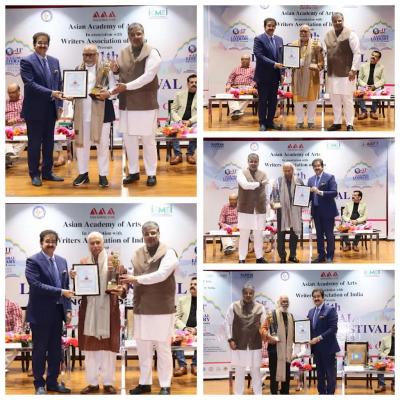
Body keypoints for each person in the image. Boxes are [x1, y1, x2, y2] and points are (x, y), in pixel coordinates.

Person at [120, 221, 178, 395]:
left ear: (159, 233)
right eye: (147, 234)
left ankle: (165, 385)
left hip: (162, 309)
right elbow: (130, 276)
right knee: (143, 348)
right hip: (141, 307)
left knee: (163, 348)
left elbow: (162, 275)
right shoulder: (136, 253)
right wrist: (122, 284)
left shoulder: (169, 252)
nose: (150, 236)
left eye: (153, 232)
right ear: (143, 236)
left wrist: (136, 279)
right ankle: (144, 383)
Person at [71, 232, 126, 394]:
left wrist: (122, 290)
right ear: (88, 245)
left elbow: (123, 283)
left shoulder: (114, 261)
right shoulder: (83, 262)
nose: (95, 245)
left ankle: (108, 382)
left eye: (98, 242)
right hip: (89, 310)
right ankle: (92, 383)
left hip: (110, 310)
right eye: (92, 243)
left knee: (108, 350)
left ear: (103, 243)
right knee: (90, 350)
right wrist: (74, 277)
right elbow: (79, 287)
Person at [112, 23, 161, 187]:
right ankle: (133, 172)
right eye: (132, 34)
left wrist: (126, 86)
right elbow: (121, 76)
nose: (136, 37)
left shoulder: (152, 52)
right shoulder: (123, 52)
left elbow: (148, 76)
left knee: (148, 140)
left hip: (146, 103)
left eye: (138, 33)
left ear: (143, 33)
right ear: (128, 36)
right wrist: (115, 71)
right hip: (126, 103)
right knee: (129, 139)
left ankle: (151, 173)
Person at [25, 230, 73, 395]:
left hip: (57, 313)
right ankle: (39, 384)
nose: (50, 244)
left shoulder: (62, 261)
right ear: (41, 243)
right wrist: (60, 291)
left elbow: (66, 287)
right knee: (40, 350)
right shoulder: (33, 261)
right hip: (40, 314)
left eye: (53, 241)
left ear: (57, 243)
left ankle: (52, 382)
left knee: (55, 350)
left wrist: (68, 309)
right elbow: (36, 285)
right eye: (47, 241)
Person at [20, 32, 64, 186]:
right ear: (34, 44)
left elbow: (59, 84)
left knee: (49, 143)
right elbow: (30, 84)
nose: (42, 45)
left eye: (45, 43)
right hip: (34, 110)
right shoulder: (27, 61)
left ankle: (47, 172)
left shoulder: (54, 61)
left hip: (51, 109)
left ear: (48, 45)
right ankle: (34, 174)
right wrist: (51, 93)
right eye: (39, 42)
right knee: (34, 144)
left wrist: (60, 105)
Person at [72, 45, 116, 188]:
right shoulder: (77, 70)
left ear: (97, 55)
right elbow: (72, 88)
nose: (88, 57)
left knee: (102, 146)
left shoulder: (106, 69)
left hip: (102, 114)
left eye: (91, 54)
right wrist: (69, 94)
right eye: (86, 55)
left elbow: (114, 89)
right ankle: (83, 173)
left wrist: (108, 93)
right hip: (81, 114)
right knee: (81, 145)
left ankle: (103, 175)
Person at [225, 283, 266, 395]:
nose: (248, 295)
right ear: (242, 293)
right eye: (246, 293)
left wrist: (265, 335)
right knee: (239, 373)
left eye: (250, 293)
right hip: (239, 345)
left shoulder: (260, 307)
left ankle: (258, 395)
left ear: (254, 294)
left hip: (255, 345)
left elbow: (264, 326)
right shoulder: (234, 306)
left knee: (256, 373)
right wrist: (230, 339)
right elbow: (227, 323)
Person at [324, 12, 361, 131]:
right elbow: (326, 54)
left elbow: (357, 53)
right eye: (335, 21)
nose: (337, 23)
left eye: (339, 20)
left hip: (346, 74)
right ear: (332, 22)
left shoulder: (351, 34)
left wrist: (353, 69)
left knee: (347, 100)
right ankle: (337, 122)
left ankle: (350, 124)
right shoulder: (327, 35)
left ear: (343, 20)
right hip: (332, 74)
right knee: (335, 99)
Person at [253, 18, 285, 131]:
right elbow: (259, 55)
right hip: (263, 76)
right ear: (264, 26)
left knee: (273, 101)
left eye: (273, 26)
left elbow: (281, 57)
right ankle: (262, 123)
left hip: (275, 76)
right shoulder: (259, 39)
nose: (271, 28)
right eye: (269, 25)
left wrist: (282, 73)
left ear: (275, 27)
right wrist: (274, 64)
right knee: (263, 101)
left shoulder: (279, 39)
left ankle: (270, 122)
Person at [307, 288, 340, 395]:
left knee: (330, 374)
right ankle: (321, 394)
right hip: (316, 349)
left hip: (328, 348)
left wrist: (318, 338)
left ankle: (330, 394)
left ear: (323, 297)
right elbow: (309, 328)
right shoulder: (311, 312)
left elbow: (333, 328)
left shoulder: (330, 310)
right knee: (320, 374)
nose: (316, 298)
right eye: (314, 297)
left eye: (318, 296)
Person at [291, 25, 324, 129]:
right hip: (297, 76)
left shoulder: (316, 44)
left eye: (305, 31)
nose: (303, 33)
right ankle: (299, 121)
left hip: (312, 76)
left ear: (310, 33)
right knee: (297, 101)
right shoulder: (293, 44)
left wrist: (317, 66)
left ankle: (311, 121)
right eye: (301, 31)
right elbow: (289, 59)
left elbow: (321, 60)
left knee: (312, 100)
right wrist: (294, 63)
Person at [237, 153, 268, 263]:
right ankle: (241, 258)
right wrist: (259, 184)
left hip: (259, 209)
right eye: (251, 161)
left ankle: (259, 257)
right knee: (244, 235)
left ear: (258, 162)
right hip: (245, 209)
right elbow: (245, 185)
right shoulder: (241, 173)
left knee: (258, 235)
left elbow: (265, 192)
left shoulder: (263, 174)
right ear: (248, 161)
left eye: (255, 161)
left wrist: (268, 206)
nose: (253, 163)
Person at [260, 295, 294, 395]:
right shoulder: (271, 315)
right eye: (283, 301)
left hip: (287, 350)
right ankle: (274, 394)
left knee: (286, 374)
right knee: (274, 375)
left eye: (287, 301)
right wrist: (269, 337)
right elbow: (263, 329)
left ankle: (285, 394)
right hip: (274, 349)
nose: (285, 303)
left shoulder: (291, 316)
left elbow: (294, 332)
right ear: (279, 303)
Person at [271, 162, 304, 263]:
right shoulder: (278, 181)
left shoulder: (299, 180)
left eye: (289, 170)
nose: (287, 172)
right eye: (285, 171)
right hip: (282, 211)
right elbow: (274, 195)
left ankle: (292, 255)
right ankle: (282, 256)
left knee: (294, 234)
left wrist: (303, 201)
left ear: (293, 170)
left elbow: (303, 195)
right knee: (281, 234)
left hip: (295, 211)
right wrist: (273, 204)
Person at [307, 158, 338, 263]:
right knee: (319, 235)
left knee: (329, 235)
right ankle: (321, 255)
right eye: (315, 166)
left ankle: (329, 256)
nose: (317, 168)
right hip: (316, 211)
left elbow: (334, 192)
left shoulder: (330, 177)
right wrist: (301, 201)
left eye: (318, 166)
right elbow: (309, 196)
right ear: (313, 168)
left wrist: (319, 192)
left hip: (328, 211)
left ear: (322, 166)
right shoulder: (310, 180)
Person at [169, 74, 197, 166]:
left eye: (196, 82)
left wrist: (190, 121)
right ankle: (178, 155)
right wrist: (179, 121)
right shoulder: (179, 95)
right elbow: (173, 110)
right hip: (179, 121)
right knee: (173, 127)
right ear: (188, 84)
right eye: (192, 82)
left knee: (198, 128)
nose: (194, 84)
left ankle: (190, 154)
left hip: (193, 122)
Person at [173, 276, 197, 377]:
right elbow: (176, 317)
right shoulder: (182, 300)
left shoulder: (205, 301)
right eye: (191, 284)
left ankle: (195, 365)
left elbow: (206, 320)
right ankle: (182, 366)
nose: (192, 286)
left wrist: (196, 329)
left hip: (197, 330)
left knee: (205, 335)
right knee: (177, 336)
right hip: (183, 330)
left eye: (195, 284)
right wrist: (184, 328)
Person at [225, 54, 256, 120]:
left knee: (248, 95)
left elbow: (255, 79)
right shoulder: (236, 68)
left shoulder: (253, 69)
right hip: (236, 87)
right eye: (243, 59)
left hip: (247, 87)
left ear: (249, 60)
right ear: (241, 60)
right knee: (229, 92)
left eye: (246, 59)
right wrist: (228, 84)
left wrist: (251, 86)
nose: (244, 60)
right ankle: (237, 111)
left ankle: (235, 112)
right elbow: (230, 78)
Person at [357, 50, 385, 120]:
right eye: (372, 55)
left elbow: (383, 80)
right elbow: (359, 79)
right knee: (360, 92)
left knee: (378, 91)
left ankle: (373, 111)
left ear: (378, 59)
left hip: (375, 87)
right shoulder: (363, 66)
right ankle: (364, 112)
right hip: (364, 86)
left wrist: (374, 86)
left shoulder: (381, 67)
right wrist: (365, 85)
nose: (373, 57)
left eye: (376, 56)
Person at [5, 83, 27, 166]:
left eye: (13, 92)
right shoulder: (6, 102)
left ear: (19, 91)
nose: (11, 95)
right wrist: (6, 120)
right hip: (8, 126)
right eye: (9, 93)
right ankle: (9, 156)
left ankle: (9, 156)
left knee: (24, 137)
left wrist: (16, 119)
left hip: (22, 124)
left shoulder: (25, 101)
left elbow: (28, 115)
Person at [375, 324, 395, 393]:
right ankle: (382, 385)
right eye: (394, 330)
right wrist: (386, 356)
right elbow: (380, 352)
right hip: (386, 358)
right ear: (391, 330)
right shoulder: (385, 339)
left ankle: (394, 384)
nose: (395, 332)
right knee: (379, 365)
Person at [5, 298, 24, 369]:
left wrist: (13, 337)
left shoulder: (12, 305)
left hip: (8, 335)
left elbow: (18, 325)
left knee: (14, 346)